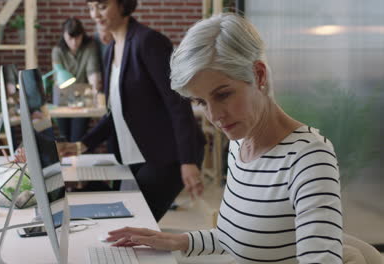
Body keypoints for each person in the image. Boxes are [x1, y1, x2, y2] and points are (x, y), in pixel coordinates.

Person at [104, 14, 344, 263]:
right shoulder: (240, 144)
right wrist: (177, 240)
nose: (214, 116)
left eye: (223, 94)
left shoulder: (309, 158)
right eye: (201, 102)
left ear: (259, 76)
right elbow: (238, 236)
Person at [59, 0, 206, 222]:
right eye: (91, 8)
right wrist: (80, 145)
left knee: (132, 225)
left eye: (101, 6)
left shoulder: (149, 42)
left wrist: (188, 161)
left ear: (122, 5)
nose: (95, 14)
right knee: (119, 221)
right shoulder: (110, 51)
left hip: (167, 157)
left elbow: (178, 104)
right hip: (133, 157)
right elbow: (114, 113)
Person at [51, 17, 102, 142]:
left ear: (82, 35)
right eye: (70, 38)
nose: (74, 42)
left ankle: (77, 161)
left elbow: (93, 74)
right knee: (64, 137)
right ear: (64, 35)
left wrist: (95, 92)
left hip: (83, 100)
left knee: (77, 138)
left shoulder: (90, 47)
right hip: (62, 100)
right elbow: (59, 78)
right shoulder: (57, 51)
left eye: (77, 38)